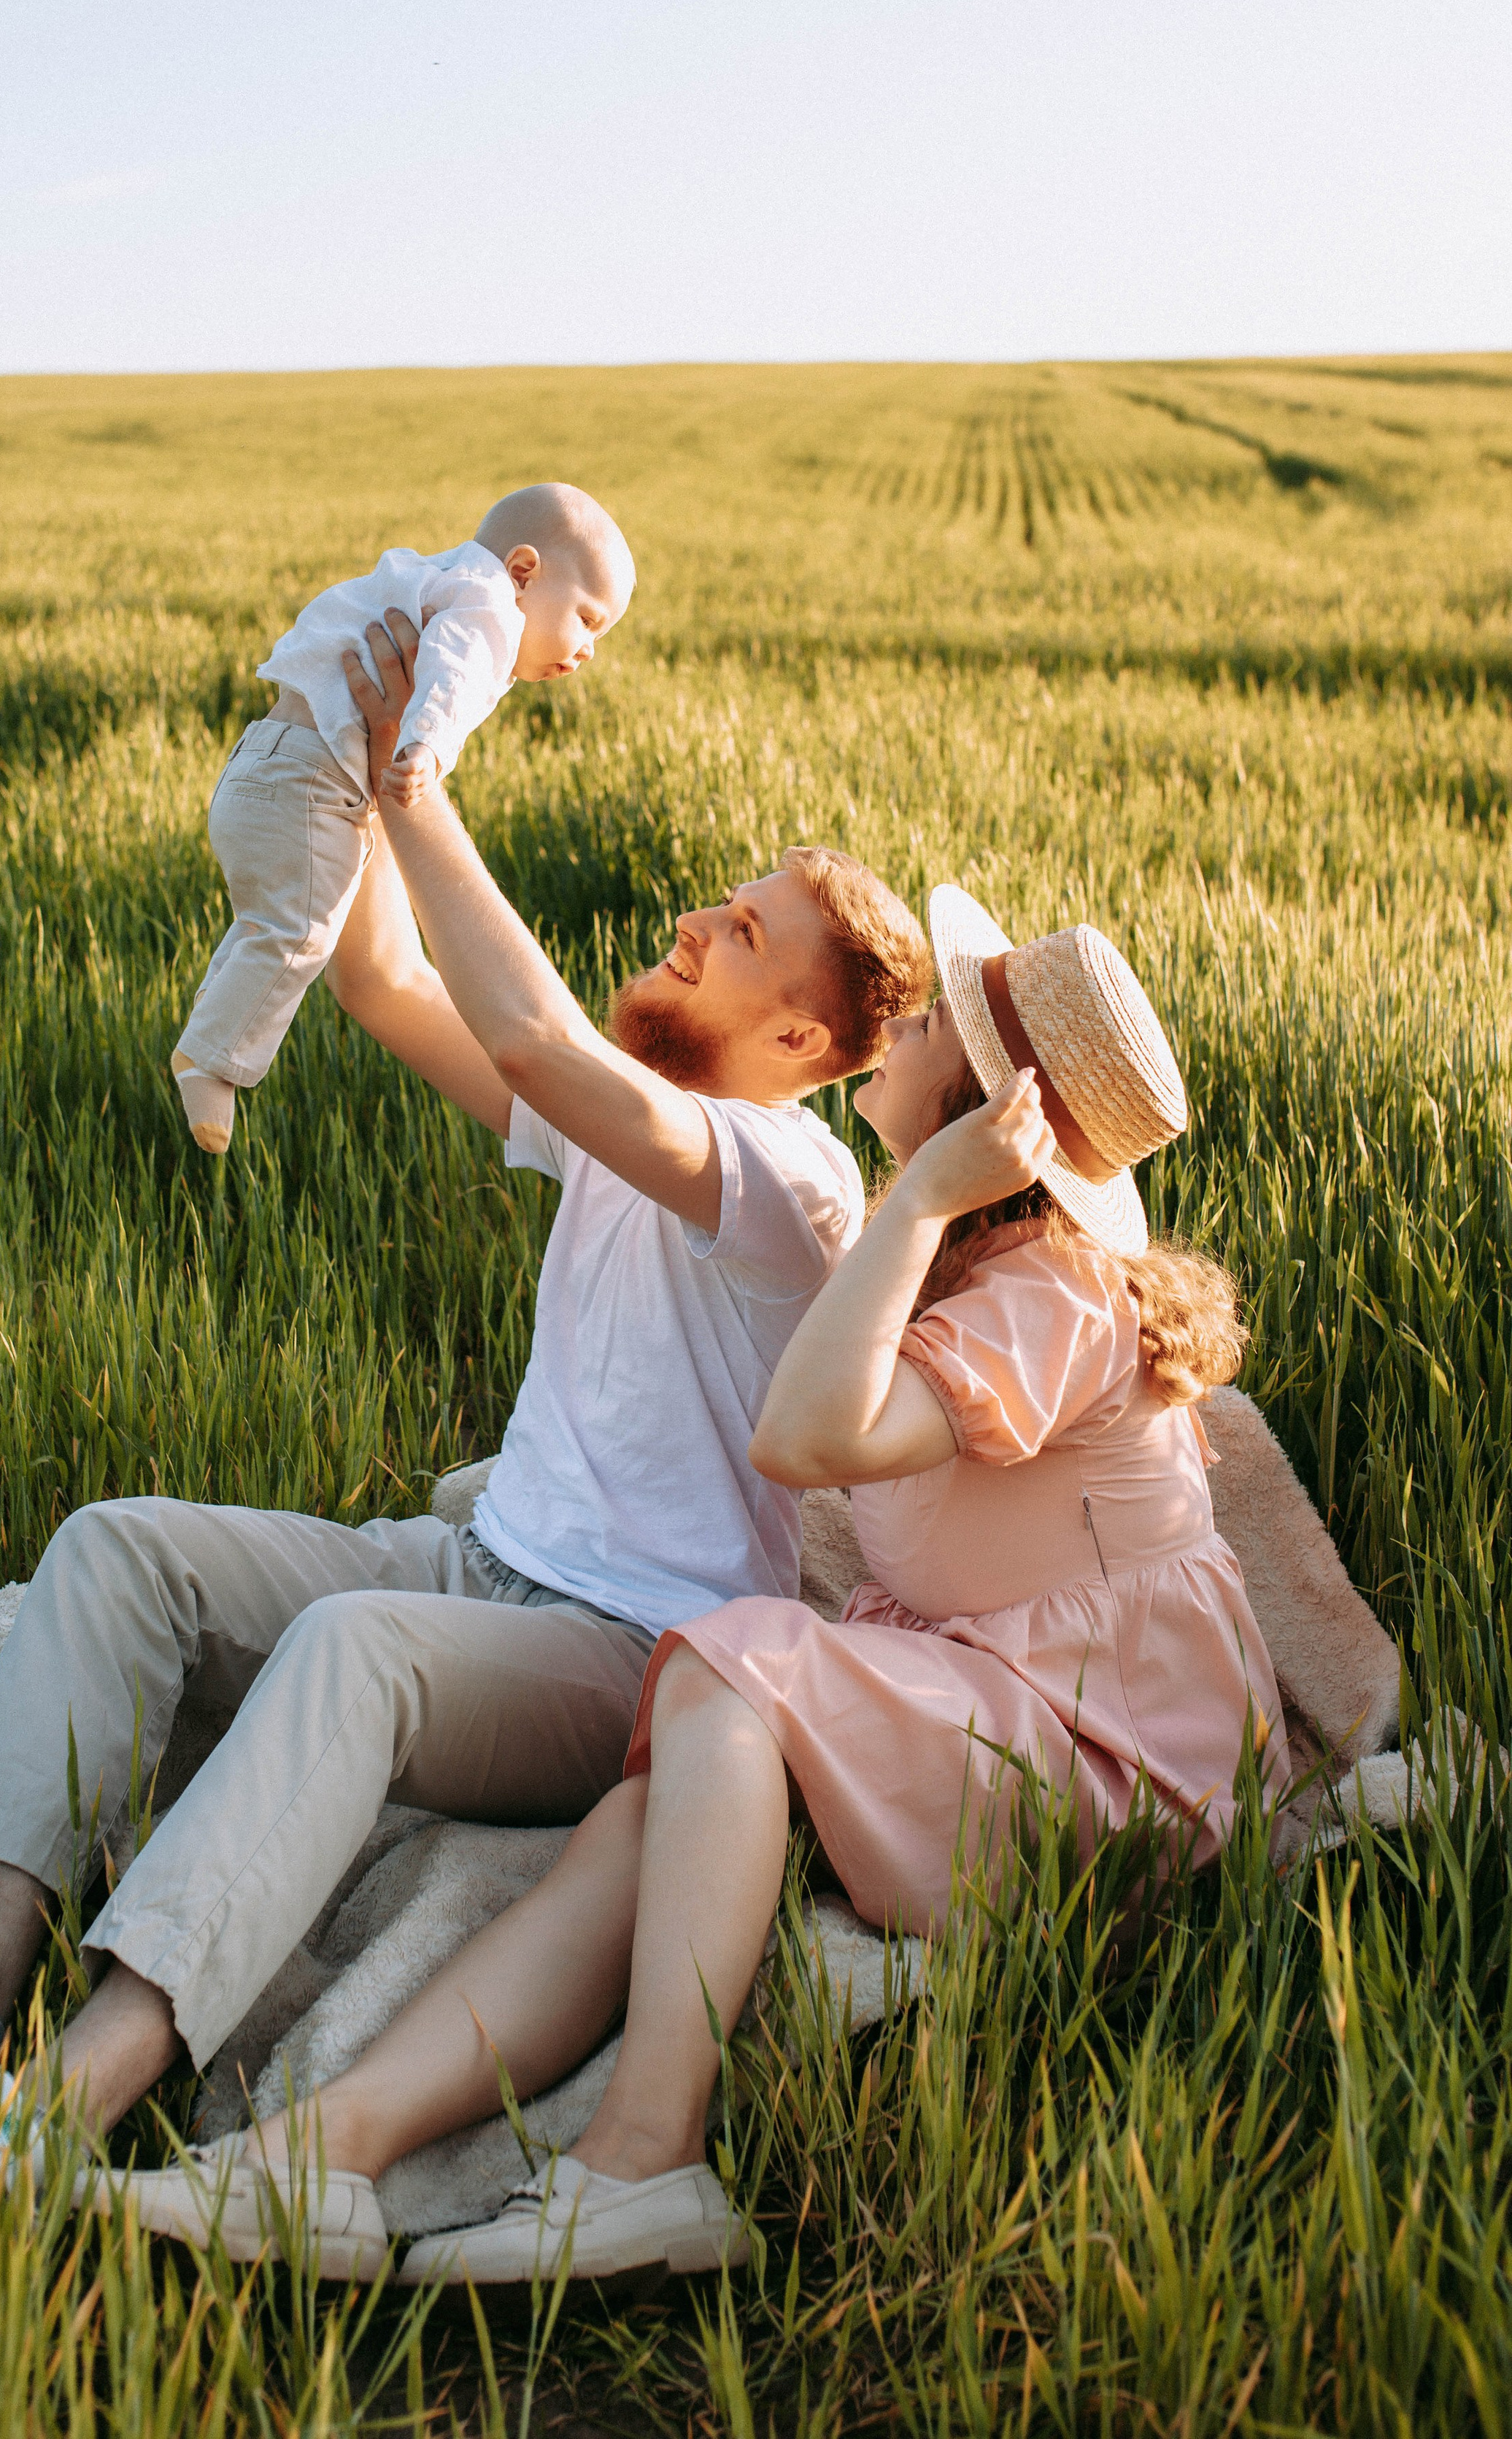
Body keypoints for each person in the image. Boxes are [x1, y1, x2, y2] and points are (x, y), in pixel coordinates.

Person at [0, 615, 927, 2285]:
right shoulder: (628, 1121)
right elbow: (388, 979)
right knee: (121, 1544)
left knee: (345, 1648)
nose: (698, 916)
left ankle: (29, 2132)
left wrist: (420, 772)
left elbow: (540, 1039)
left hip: (620, 1647)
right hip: (471, 1569)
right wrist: (343, 767)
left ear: (798, 1042)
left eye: (744, 926)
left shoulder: (789, 1181)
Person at [108, 884, 1289, 2286]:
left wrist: (917, 1196)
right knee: (648, 1812)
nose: (890, 1039)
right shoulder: (960, 1262)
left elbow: (802, 1442)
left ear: (984, 1113)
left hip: (1102, 1749)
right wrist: (916, 1213)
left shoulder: (1055, 1291)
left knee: (736, 1667)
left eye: (926, 1030)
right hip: (995, 1696)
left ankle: (642, 2160)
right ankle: (321, 2160)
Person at [171, 481, 636, 1154]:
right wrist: (422, 749)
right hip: (312, 780)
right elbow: (450, 676)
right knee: (301, 928)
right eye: (587, 619)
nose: (588, 649)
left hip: (266, 758)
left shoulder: (435, 577)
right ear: (525, 572)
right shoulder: (489, 608)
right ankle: (213, 1060)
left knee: (269, 919)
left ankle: (211, 1022)